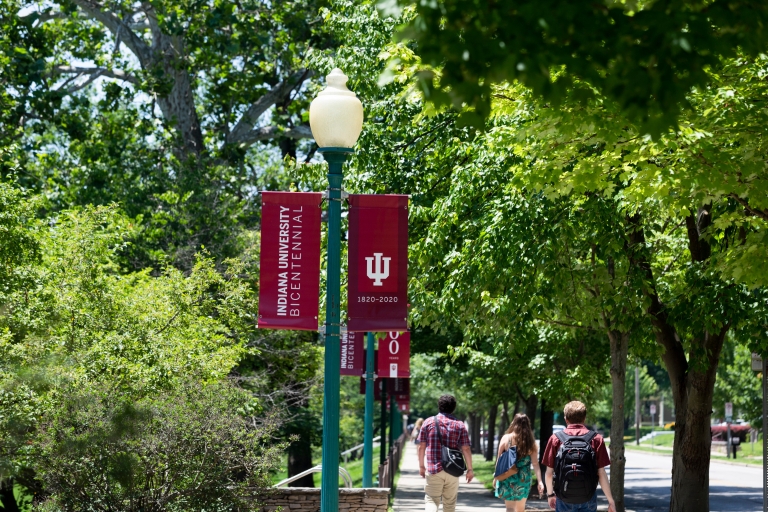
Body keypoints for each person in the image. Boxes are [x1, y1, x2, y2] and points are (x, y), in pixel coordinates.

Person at [541, 401, 616, 512]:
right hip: (588, 497)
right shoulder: (596, 439)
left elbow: (548, 474)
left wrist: (550, 495)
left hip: (563, 498)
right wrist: (611, 501)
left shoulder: (555, 439)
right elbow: (601, 473)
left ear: (565, 418)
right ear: (584, 418)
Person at [417, 395, 474, 512]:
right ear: (454, 408)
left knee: (431, 500)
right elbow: (466, 449)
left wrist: (421, 466)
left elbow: (421, 447)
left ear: (439, 406)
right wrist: (470, 469)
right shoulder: (459, 425)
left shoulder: (428, 422)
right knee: (449, 504)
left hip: (434, 469)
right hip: (453, 469)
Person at [494, 413, 545, 512]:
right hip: (524, 478)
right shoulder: (531, 443)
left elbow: (499, 460)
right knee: (520, 509)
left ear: (514, 423)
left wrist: (496, 477)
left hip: (507, 475)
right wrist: (540, 481)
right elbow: (535, 464)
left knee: (510, 508)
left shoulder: (506, 438)